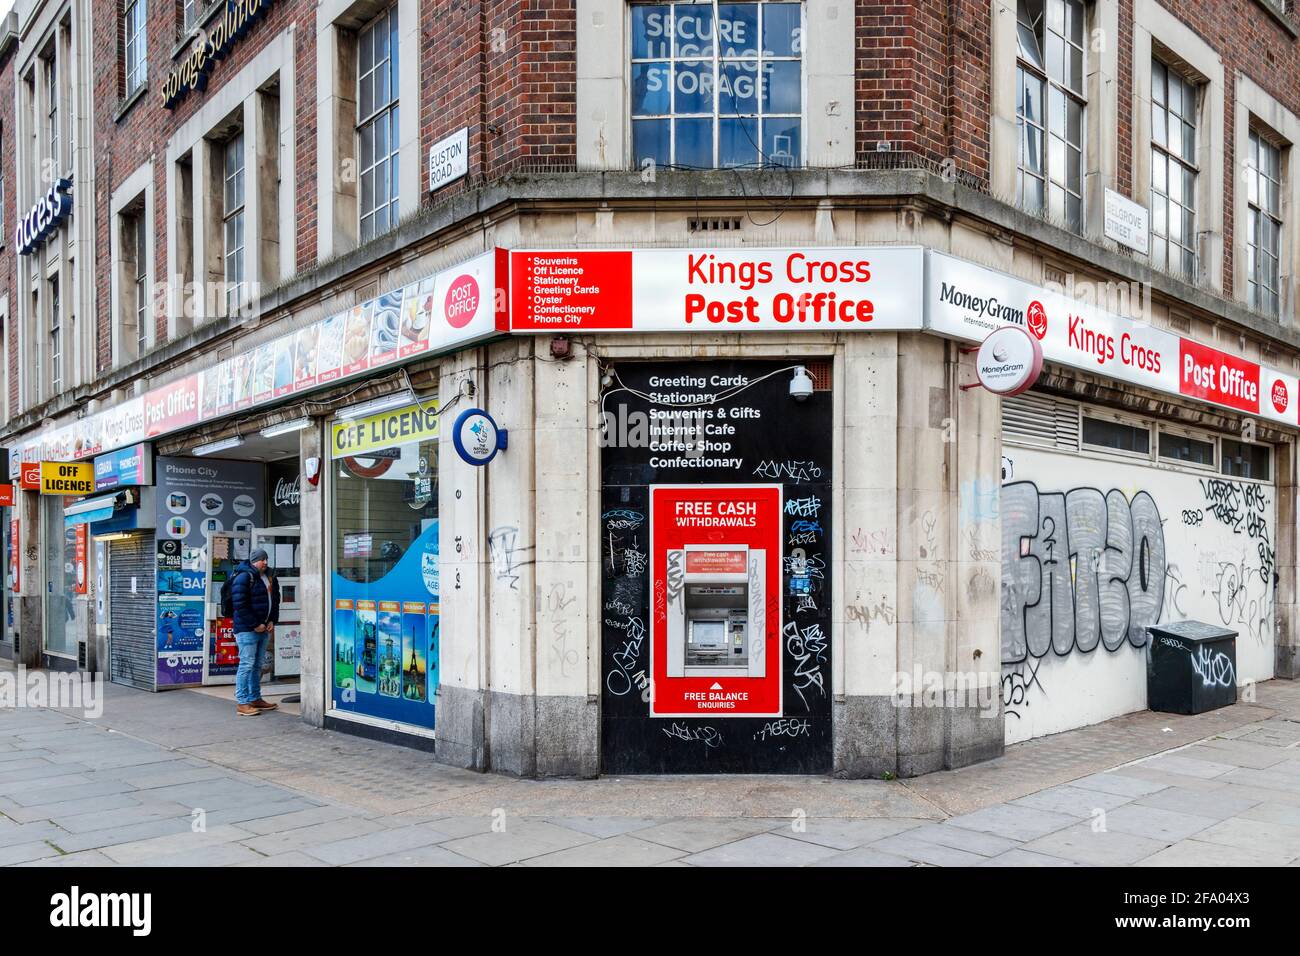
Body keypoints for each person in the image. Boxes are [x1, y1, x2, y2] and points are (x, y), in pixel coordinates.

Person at [231, 548, 282, 716]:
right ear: (254, 561)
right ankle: (242, 702)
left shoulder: (270, 577)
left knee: (257, 665)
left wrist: (272, 620)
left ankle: (255, 698)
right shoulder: (245, 576)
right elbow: (239, 604)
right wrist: (255, 624)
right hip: (247, 630)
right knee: (246, 664)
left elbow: (275, 601)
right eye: (262, 559)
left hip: (264, 628)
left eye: (266, 559)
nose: (265, 562)